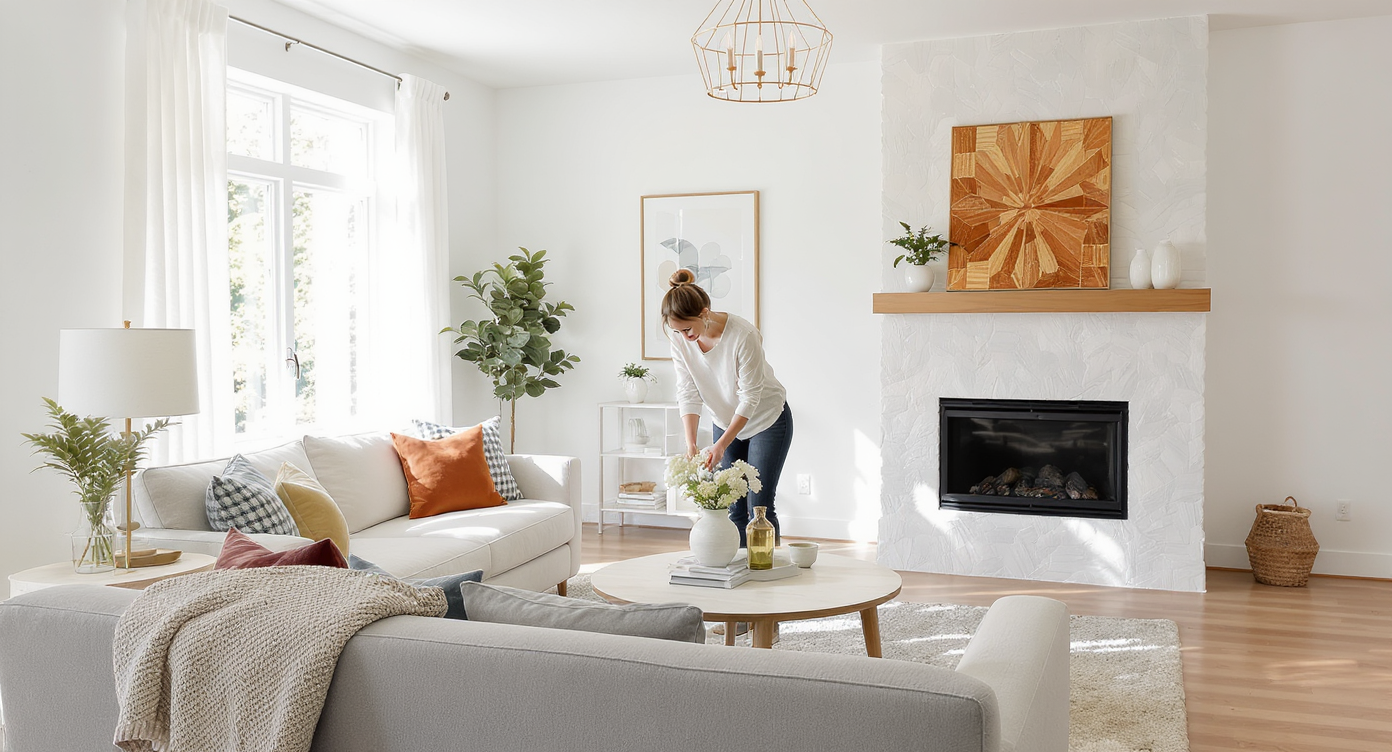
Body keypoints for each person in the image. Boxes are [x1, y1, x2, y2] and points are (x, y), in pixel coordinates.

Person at [664, 268, 792, 547]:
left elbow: (750, 397)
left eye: (687, 329)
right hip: (724, 420)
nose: (684, 336)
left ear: (704, 313)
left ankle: (765, 574)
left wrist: (720, 445)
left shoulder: (743, 335)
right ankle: (734, 575)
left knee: (759, 507)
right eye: (677, 330)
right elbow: (687, 389)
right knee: (731, 505)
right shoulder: (679, 338)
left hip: (765, 419)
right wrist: (690, 443)